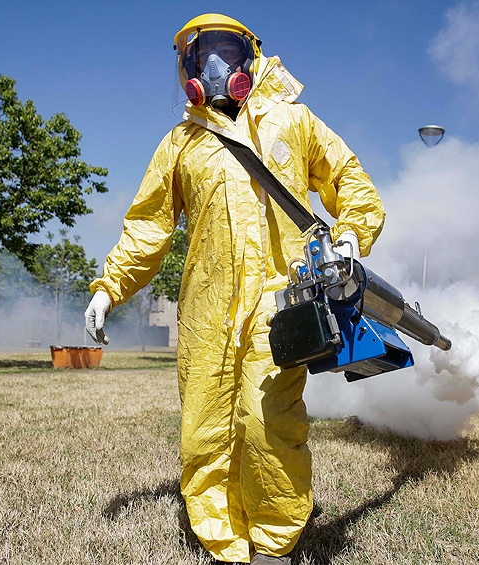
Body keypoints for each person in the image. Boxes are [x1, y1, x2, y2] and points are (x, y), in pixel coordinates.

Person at [85, 13, 385, 564]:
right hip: (206, 309)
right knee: (205, 429)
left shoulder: (292, 122)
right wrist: (111, 287)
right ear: (186, 69)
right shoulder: (181, 144)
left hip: (282, 302)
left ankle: (273, 542)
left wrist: (349, 235)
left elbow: (349, 179)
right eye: (201, 56)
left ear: (251, 56)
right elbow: (149, 225)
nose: (215, 65)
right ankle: (223, 542)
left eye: (226, 50)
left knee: (270, 421)